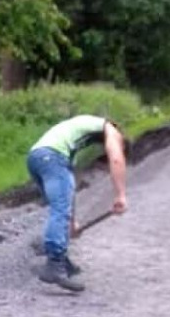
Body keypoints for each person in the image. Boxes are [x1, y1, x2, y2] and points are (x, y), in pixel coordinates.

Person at [26, 115, 128, 292]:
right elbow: (117, 159)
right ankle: (54, 265)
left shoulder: (74, 138)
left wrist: (71, 223)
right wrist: (120, 195)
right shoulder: (110, 128)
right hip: (50, 157)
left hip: (36, 158)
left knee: (60, 207)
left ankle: (61, 261)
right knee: (59, 210)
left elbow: (67, 192)